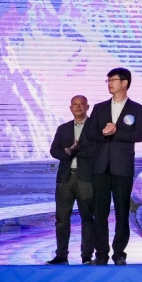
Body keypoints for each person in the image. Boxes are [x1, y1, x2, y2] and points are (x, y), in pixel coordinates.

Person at [85, 68, 142, 266]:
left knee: (122, 212)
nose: (110, 83)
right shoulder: (99, 108)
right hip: (100, 168)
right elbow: (90, 134)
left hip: (123, 167)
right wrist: (104, 133)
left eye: (113, 80)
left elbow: (139, 135)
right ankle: (101, 253)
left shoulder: (137, 109)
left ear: (125, 83)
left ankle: (119, 253)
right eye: (108, 80)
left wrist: (116, 131)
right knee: (100, 213)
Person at [47, 95, 95, 265]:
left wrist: (74, 151)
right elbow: (54, 150)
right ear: (70, 108)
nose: (78, 107)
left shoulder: (95, 128)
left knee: (88, 218)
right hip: (65, 179)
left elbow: (96, 151)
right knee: (61, 219)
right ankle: (61, 256)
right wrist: (67, 152)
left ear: (87, 107)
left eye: (81, 104)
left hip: (87, 179)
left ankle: (87, 256)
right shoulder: (63, 128)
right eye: (75, 104)